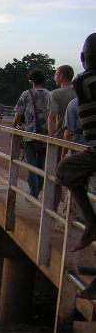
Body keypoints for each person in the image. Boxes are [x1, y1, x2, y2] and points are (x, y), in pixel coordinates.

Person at [56, 33, 96, 269]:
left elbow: (91, 132)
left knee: (66, 169)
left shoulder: (85, 81)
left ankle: (91, 222)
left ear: (82, 57)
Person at [12, 68, 50, 198]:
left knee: (31, 163)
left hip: (30, 133)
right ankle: (37, 191)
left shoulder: (27, 94)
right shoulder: (49, 94)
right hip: (45, 134)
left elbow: (19, 113)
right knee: (41, 166)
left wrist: (13, 127)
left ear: (31, 80)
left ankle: (33, 194)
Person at [47, 65, 77, 211]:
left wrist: (50, 137)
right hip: (77, 139)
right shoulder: (79, 94)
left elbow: (53, 116)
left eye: (55, 74)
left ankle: (53, 206)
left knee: (56, 174)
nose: (54, 77)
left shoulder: (55, 93)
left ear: (61, 76)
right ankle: (71, 209)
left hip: (61, 136)